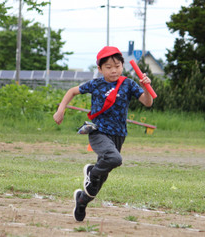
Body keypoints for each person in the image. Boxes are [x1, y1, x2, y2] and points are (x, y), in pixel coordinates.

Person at [53, 46, 153, 222]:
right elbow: (72, 91)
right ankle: (91, 171)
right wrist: (60, 110)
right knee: (115, 160)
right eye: (108, 67)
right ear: (100, 69)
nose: (113, 70)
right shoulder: (96, 84)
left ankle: (82, 201)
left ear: (122, 66)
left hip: (119, 135)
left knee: (98, 184)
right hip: (98, 131)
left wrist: (146, 87)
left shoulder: (128, 84)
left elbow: (147, 102)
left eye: (117, 66)